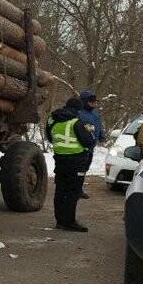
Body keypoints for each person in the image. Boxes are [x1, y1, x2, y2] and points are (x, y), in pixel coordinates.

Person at [47, 96, 96, 232]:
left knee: (60, 190)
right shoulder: (77, 122)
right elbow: (88, 141)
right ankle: (69, 221)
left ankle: (60, 221)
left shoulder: (53, 120)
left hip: (59, 159)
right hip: (76, 160)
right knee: (72, 192)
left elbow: (50, 137)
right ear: (78, 109)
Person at [77, 90, 106, 199]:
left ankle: (79, 188)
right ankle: (76, 189)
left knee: (85, 169)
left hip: (91, 146)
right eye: (91, 101)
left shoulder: (95, 113)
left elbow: (99, 124)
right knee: (79, 169)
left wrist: (102, 136)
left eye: (95, 101)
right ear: (84, 101)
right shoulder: (78, 113)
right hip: (81, 146)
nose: (94, 104)